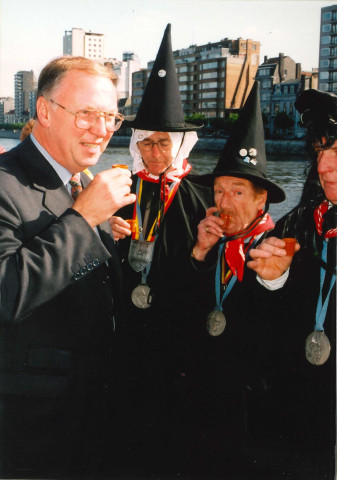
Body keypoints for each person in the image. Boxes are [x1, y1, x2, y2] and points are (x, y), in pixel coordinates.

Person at [0, 55, 136, 478]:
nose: (101, 130)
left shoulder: (78, 182)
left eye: (111, 117)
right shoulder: (7, 182)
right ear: (44, 110)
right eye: (87, 115)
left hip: (92, 414)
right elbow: (6, 293)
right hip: (31, 430)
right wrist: (83, 219)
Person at [109, 24, 213, 475]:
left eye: (162, 143)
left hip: (180, 334)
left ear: (180, 145)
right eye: (145, 142)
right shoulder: (118, 190)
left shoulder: (204, 198)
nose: (153, 152)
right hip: (127, 332)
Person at [187, 81, 286, 478]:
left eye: (238, 192)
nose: (224, 202)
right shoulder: (211, 242)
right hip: (205, 398)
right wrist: (198, 254)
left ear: (261, 199)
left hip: (254, 408)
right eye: (220, 191)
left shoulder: (279, 249)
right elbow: (188, 312)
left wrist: (273, 282)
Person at [247, 88, 336, 479]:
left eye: (335, 152)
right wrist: (273, 280)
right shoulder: (299, 225)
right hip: (296, 424)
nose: (325, 167)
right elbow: (261, 327)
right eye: (319, 152)